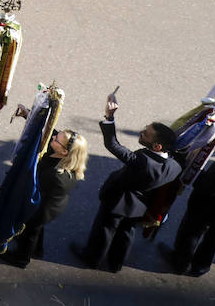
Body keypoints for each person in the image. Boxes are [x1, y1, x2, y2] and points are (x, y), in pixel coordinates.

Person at [69, 93, 180, 273]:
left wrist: (109, 117)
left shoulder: (142, 160)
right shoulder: (174, 166)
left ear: (157, 146)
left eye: (146, 134)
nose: (142, 133)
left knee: (104, 230)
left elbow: (112, 144)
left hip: (118, 200)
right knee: (126, 234)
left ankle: (91, 258)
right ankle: (115, 264)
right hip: (141, 206)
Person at [0, 119, 88, 268]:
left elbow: (32, 184)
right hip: (51, 203)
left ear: (64, 151)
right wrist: (30, 116)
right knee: (37, 229)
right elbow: (51, 131)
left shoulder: (55, 176)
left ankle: (21, 258)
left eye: (56, 140)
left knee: (30, 230)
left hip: (44, 208)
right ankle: (37, 250)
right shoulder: (64, 155)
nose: (53, 138)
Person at [160, 133, 215, 276]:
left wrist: (193, 170)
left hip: (206, 211)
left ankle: (180, 262)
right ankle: (201, 267)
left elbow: (204, 189)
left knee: (191, 234)